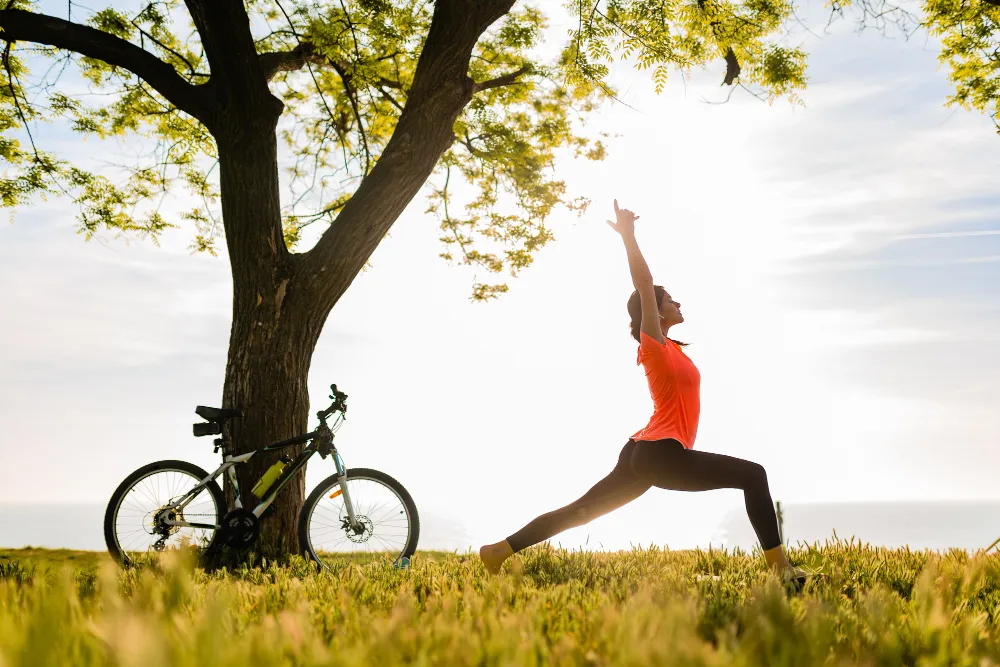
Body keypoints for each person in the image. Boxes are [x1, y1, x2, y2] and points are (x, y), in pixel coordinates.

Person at [479, 199, 806, 584]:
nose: (677, 302)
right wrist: (629, 237)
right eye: (670, 300)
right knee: (753, 475)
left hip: (643, 451)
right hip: (660, 453)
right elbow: (644, 285)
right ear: (655, 310)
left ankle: (498, 551)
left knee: (581, 511)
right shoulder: (653, 345)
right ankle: (781, 570)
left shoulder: (674, 350)